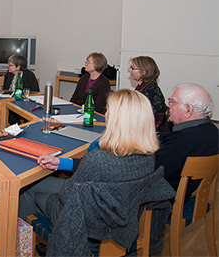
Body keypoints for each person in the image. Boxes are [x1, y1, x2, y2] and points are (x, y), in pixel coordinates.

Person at [20, 89, 174, 256]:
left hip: (87, 221)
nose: (105, 114)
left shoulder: (98, 159)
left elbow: (68, 197)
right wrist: (63, 163)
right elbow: (106, 173)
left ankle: (22, 248)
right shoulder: (148, 156)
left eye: (108, 110)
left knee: (29, 189)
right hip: (121, 212)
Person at [155, 83, 218, 201]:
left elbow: (150, 172)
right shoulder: (213, 132)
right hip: (191, 198)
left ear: (188, 110)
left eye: (172, 102)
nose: (167, 105)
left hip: (163, 205)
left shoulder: (181, 142)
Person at [128, 56, 169, 131]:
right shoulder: (143, 87)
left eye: (133, 68)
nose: (130, 70)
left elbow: (145, 117)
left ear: (144, 72)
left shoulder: (151, 90)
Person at [3, 54, 39, 125]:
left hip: (23, 104)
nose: (8, 66)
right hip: (9, 102)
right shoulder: (9, 74)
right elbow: (6, 90)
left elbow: (36, 93)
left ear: (18, 67)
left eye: (10, 65)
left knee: (10, 114)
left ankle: (18, 130)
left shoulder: (29, 76)